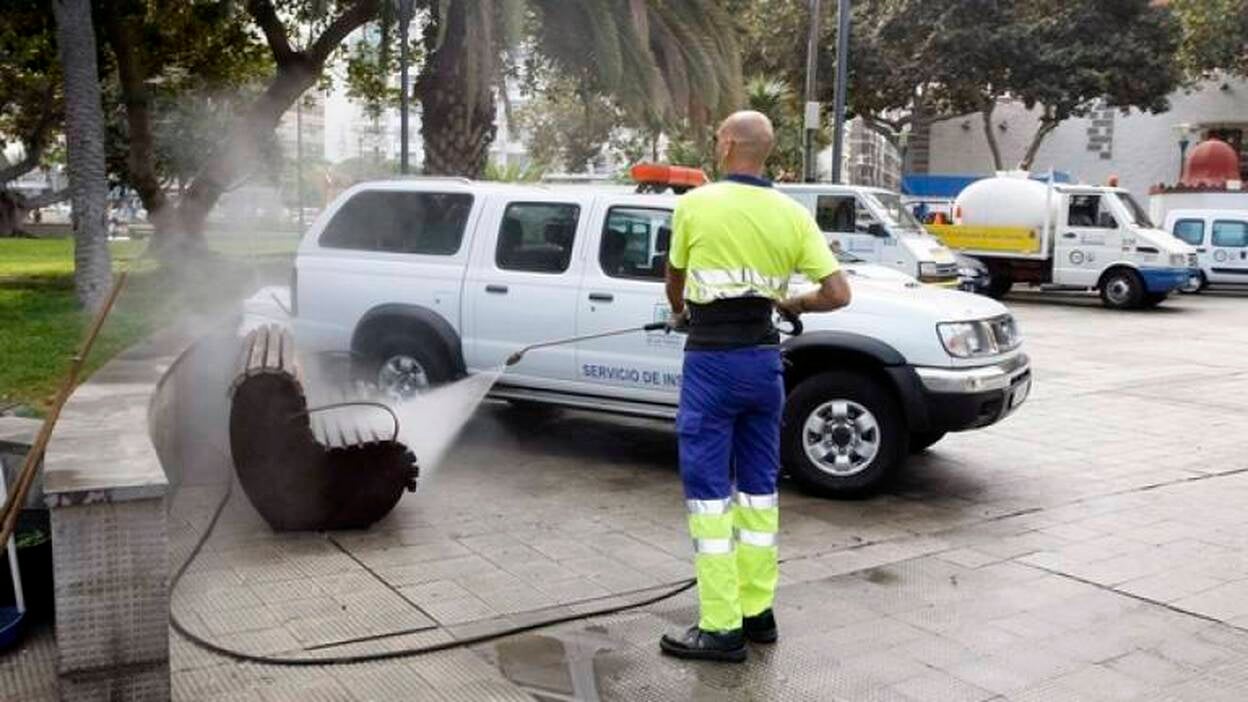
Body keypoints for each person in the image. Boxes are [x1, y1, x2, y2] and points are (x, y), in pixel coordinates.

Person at [660, 111, 852, 663]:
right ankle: (757, 613)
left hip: (711, 366)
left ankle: (721, 628)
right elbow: (838, 293)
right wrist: (791, 303)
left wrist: (680, 312)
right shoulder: (792, 213)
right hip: (764, 365)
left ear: (726, 145)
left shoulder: (696, 204)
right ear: (764, 151)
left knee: (709, 497)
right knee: (759, 491)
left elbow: (675, 279)